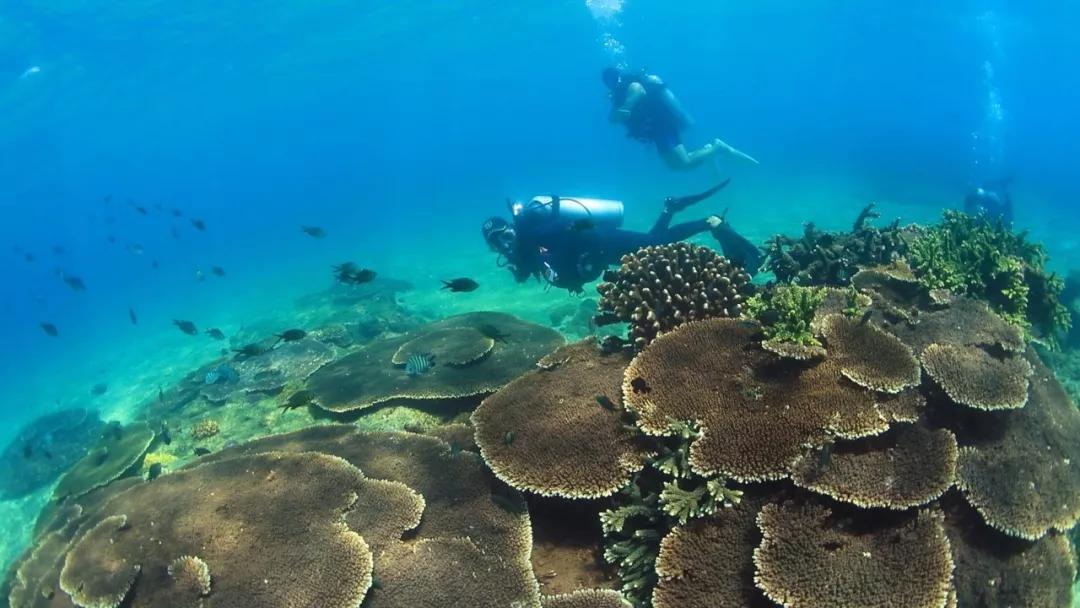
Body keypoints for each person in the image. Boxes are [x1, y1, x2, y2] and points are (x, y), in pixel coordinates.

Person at [481, 181, 760, 294]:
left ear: (511, 228)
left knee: (655, 246)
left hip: (601, 241)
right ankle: (670, 207)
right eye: (496, 242)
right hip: (600, 253)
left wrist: (570, 257)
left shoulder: (531, 231)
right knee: (651, 245)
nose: (504, 243)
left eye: (503, 235)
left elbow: (568, 229)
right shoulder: (525, 250)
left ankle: (710, 222)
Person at [602, 66, 758, 171]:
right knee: (677, 165)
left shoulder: (629, 84)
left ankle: (717, 147)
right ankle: (709, 151)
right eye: (607, 81)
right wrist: (618, 112)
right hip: (655, 131)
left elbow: (639, 91)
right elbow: (613, 118)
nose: (610, 83)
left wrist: (627, 106)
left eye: (610, 79)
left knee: (683, 163)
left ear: (617, 77)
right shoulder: (616, 94)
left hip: (662, 126)